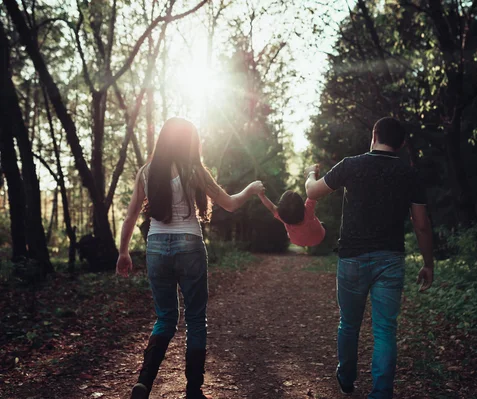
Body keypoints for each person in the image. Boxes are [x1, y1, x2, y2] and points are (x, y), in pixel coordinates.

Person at [116, 117, 264, 399]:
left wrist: (124, 252)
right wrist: (251, 190)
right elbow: (230, 203)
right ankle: (194, 390)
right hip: (190, 246)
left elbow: (131, 215)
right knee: (195, 319)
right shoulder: (194, 170)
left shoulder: (146, 172)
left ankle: (144, 383)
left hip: (157, 247)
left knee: (165, 318)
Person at [305, 117, 434, 399]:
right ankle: (381, 393)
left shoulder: (351, 165)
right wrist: (428, 263)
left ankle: (346, 378)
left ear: (373, 136)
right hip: (390, 260)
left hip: (352, 258)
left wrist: (309, 174)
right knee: (385, 329)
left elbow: (312, 191)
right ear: (400, 144)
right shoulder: (409, 173)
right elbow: (421, 224)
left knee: (349, 323)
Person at [257, 184, 326, 247]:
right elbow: (313, 191)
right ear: (302, 205)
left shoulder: (283, 216)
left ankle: (291, 233)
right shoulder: (308, 210)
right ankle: (318, 225)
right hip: (319, 237)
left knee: (292, 232)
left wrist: (261, 194)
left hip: (298, 241)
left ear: (281, 210)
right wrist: (312, 174)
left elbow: (271, 207)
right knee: (320, 224)